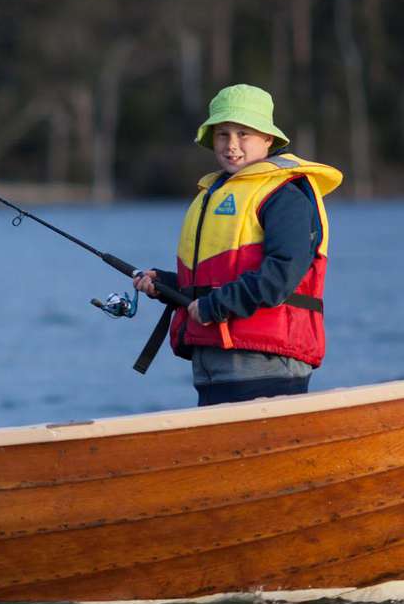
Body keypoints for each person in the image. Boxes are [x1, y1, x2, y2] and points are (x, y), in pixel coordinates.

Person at [133, 84, 343, 406]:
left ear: (268, 139)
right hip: (216, 361)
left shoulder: (286, 196)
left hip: (266, 362)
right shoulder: (215, 193)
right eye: (222, 135)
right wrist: (165, 285)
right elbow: (213, 285)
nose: (232, 145)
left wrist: (214, 306)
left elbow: (280, 275)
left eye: (244, 134)